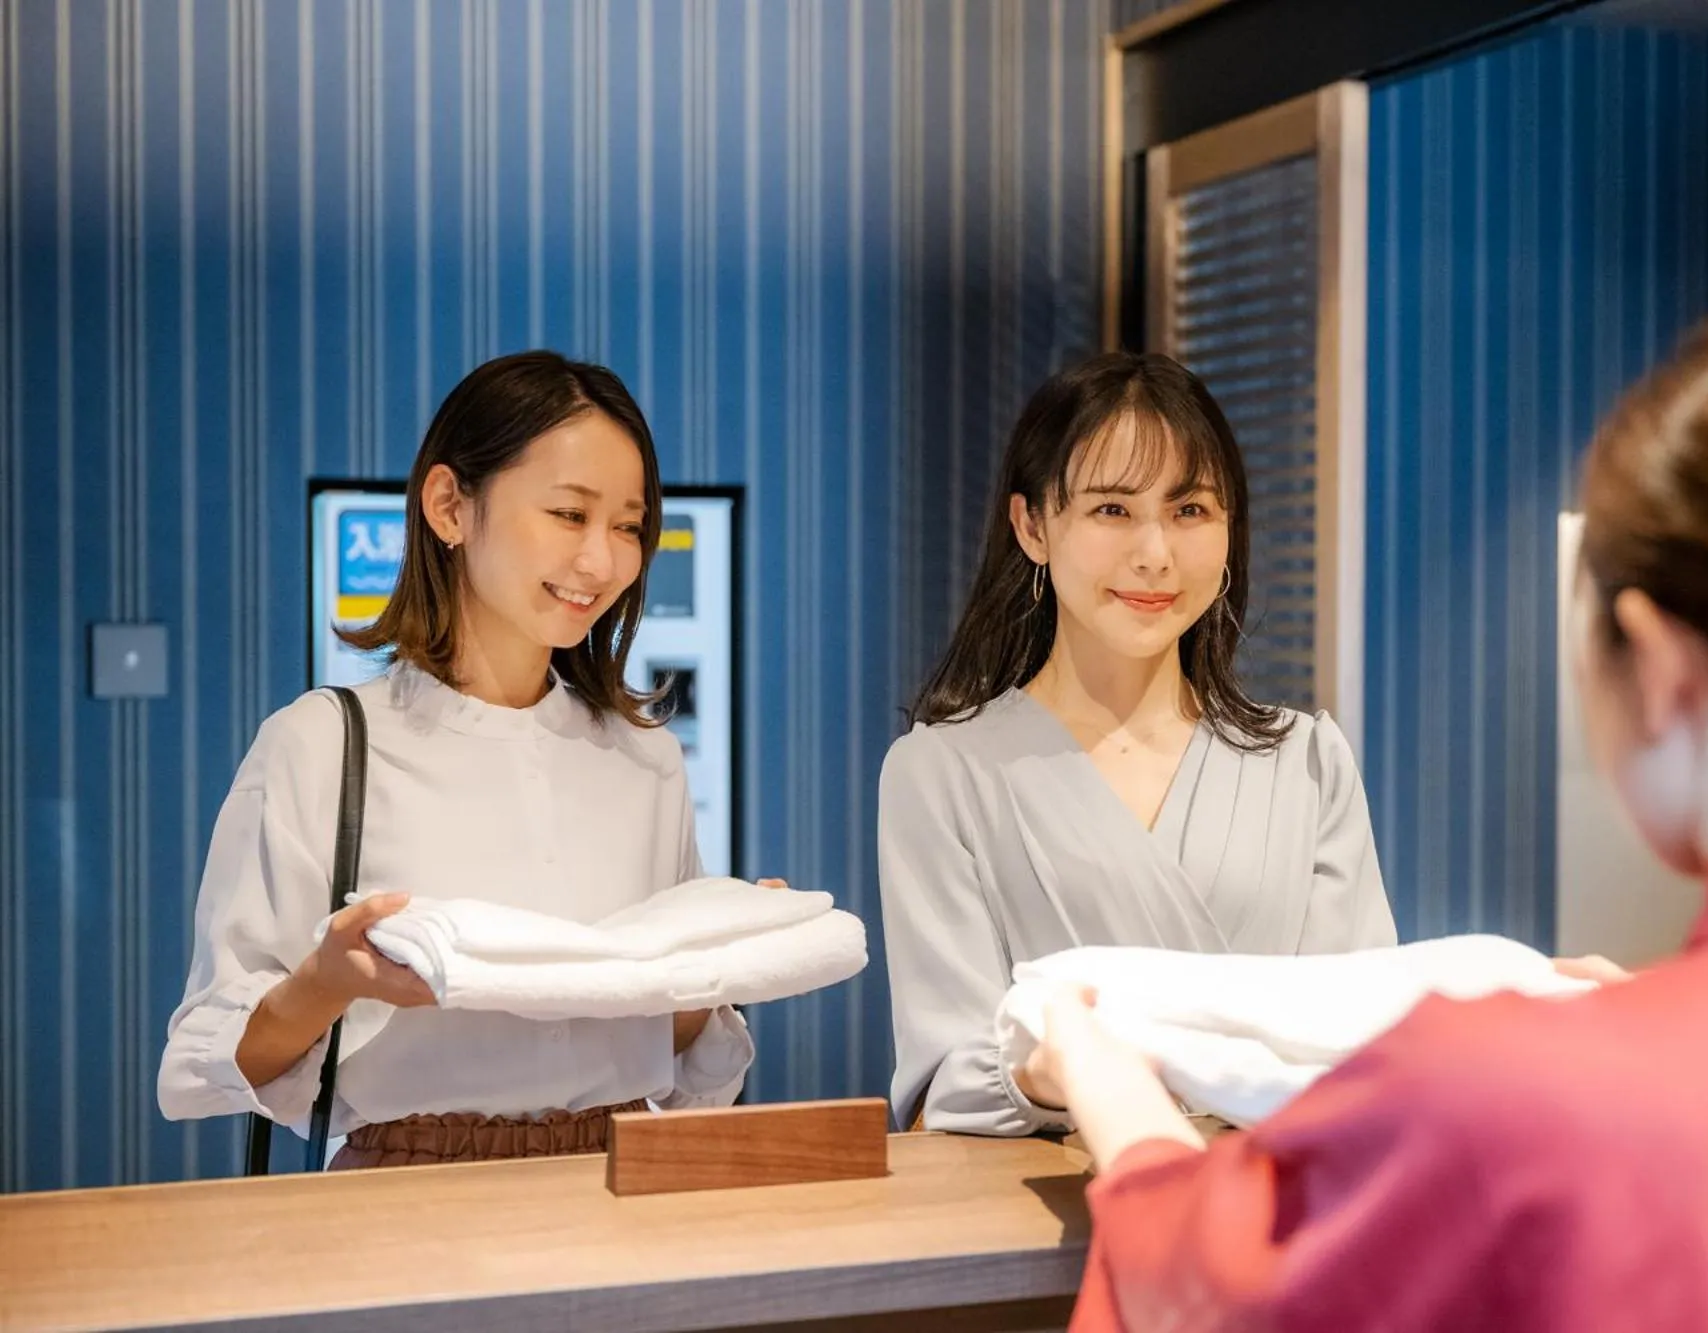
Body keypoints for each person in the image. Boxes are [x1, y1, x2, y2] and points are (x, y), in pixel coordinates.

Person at [1027, 293, 1708, 1331]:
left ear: (1656, 663)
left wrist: (1105, 1078)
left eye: (1189, 509)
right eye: (1111, 509)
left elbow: (1203, 1288)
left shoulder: (1510, 1091)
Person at [159, 352, 777, 1169]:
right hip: (408, 1190)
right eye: (569, 513)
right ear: (450, 506)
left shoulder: (646, 759)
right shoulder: (321, 743)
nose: (602, 561)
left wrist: (718, 966)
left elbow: (669, 1053)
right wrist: (330, 980)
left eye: (628, 526)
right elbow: (214, 1057)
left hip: (618, 1185)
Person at [878, 352, 1399, 1137]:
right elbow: (943, 1082)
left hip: (1283, 1199)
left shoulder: (1307, 761)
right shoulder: (941, 772)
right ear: (1031, 526)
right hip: (1050, 1203)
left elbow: (1363, 1041)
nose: (1155, 552)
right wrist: (1047, 1071)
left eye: (1190, 509)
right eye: (1113, 509)